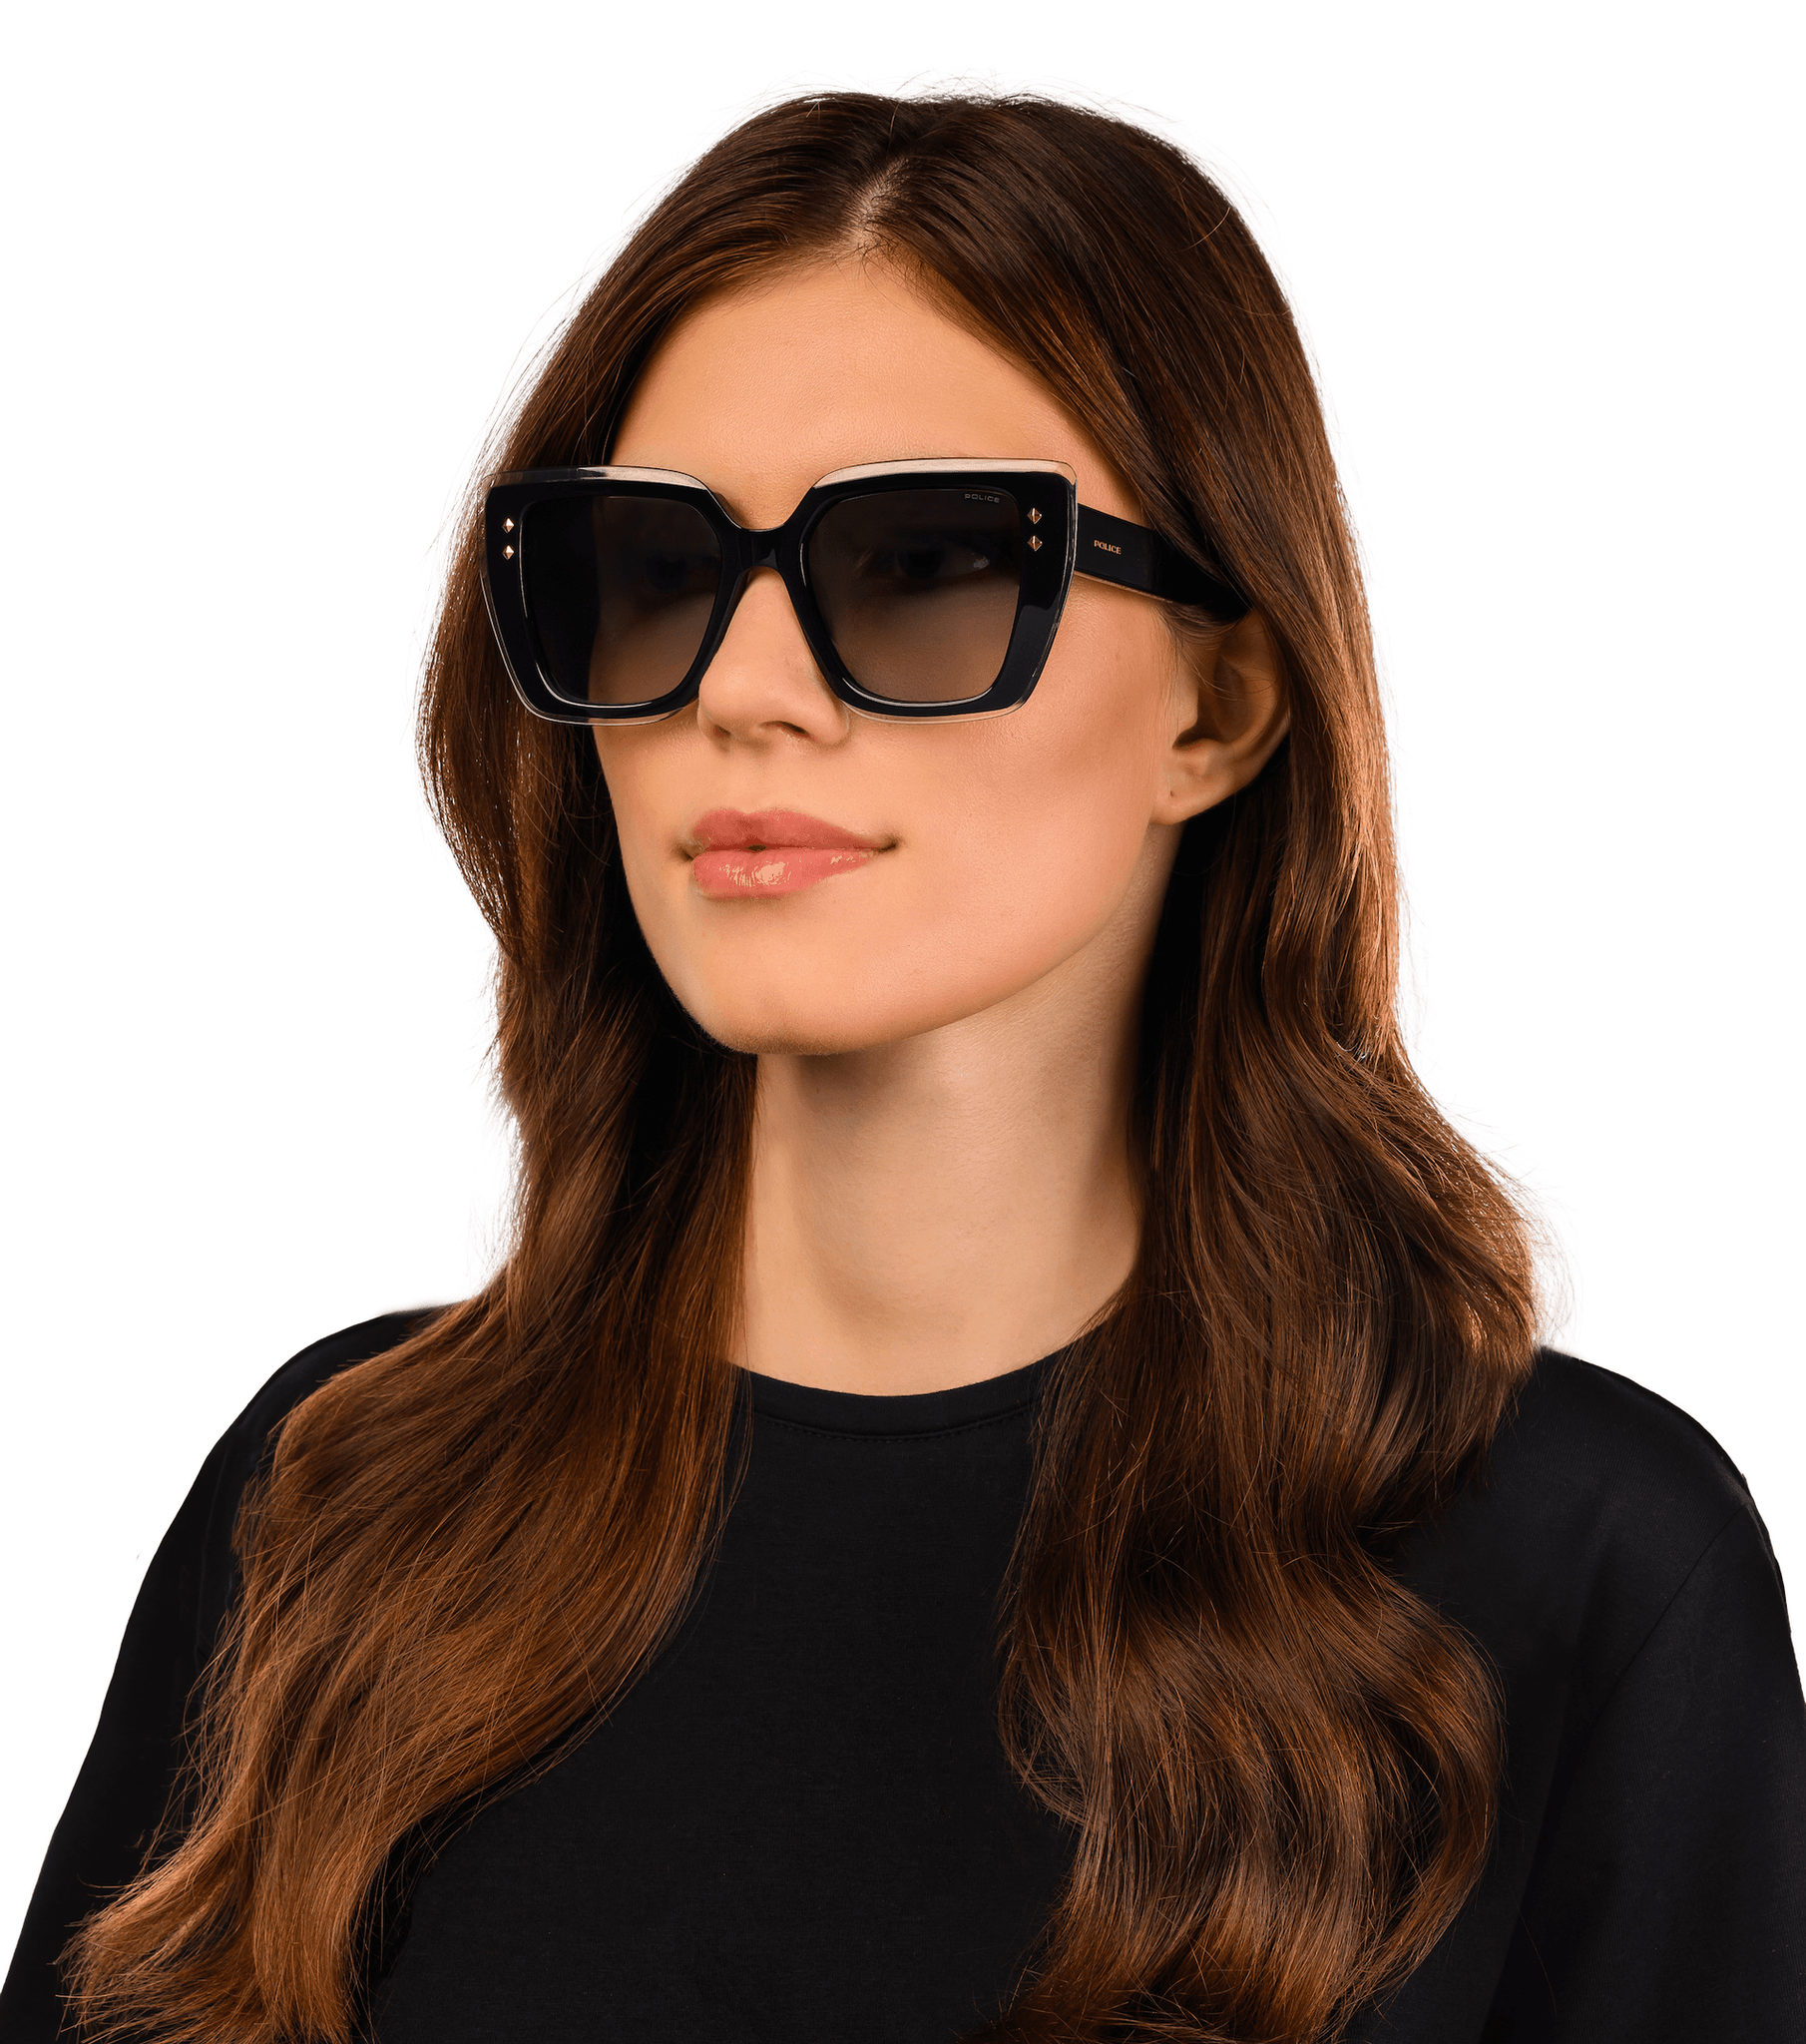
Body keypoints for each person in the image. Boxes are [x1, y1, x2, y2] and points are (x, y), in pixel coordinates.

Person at [4, 91, 1802, 2044]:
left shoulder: (1577, 1562)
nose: (740, 686)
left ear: (1216, 705)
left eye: (927, 561)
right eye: (648, 565)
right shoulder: (333, 1507)